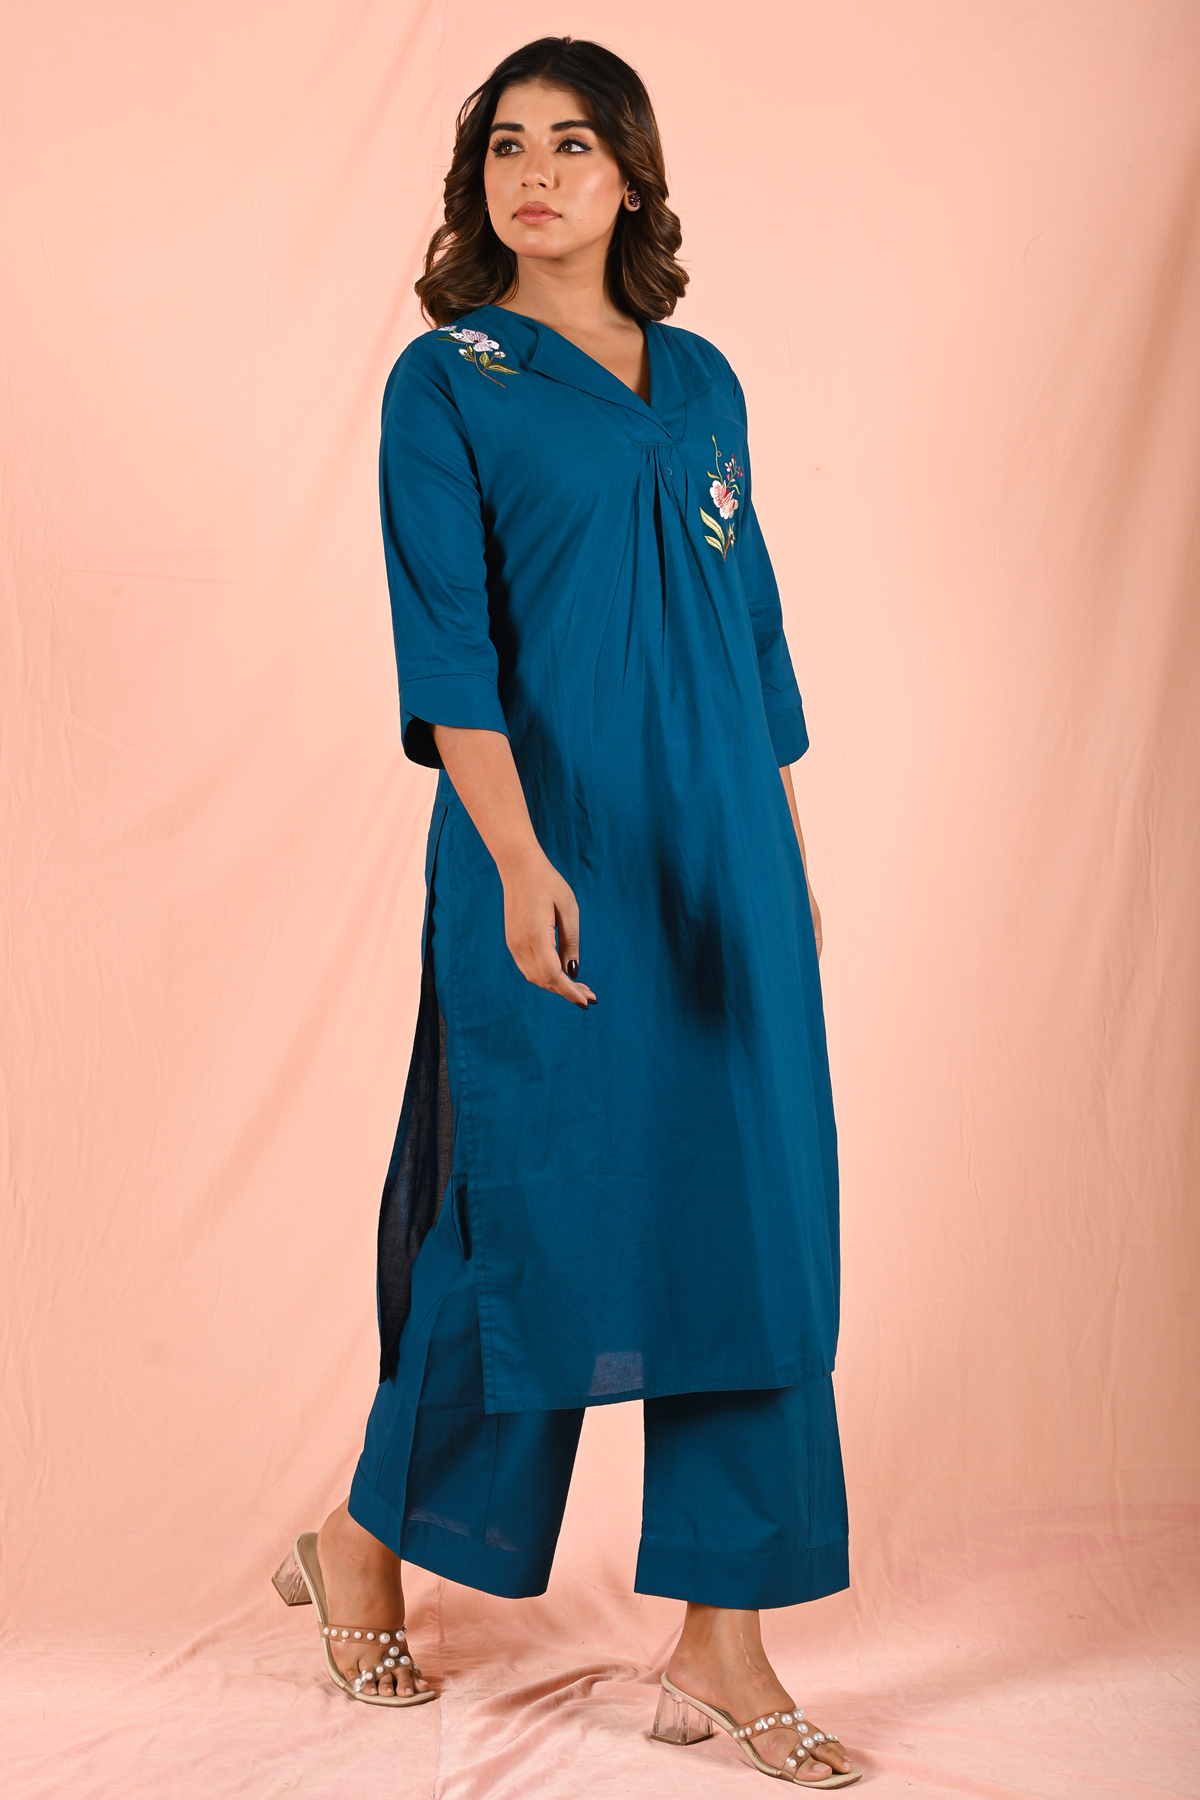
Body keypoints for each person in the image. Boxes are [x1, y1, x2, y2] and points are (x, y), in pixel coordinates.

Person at [273, 35, 859, 1789]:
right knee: (523, 1222)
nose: (536, 174)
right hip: (547, 853)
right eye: (508, 146)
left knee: (753, 1223)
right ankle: (365, 1537)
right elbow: (448, 649)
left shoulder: (703, 381)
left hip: (722, 866)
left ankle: (724, 1645)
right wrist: (524, 861)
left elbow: (751, 634)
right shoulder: (445, 382)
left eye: (574, 144)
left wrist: (784, 862)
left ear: (631, 178)